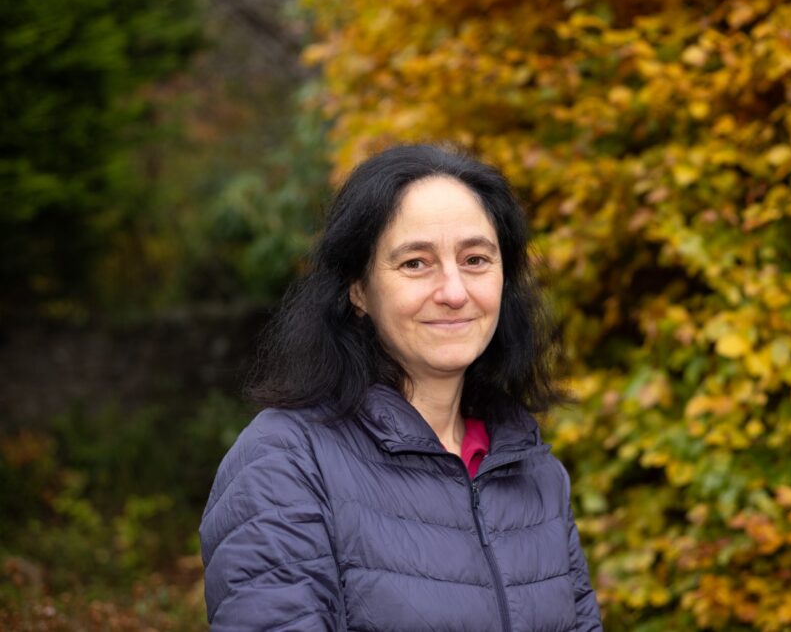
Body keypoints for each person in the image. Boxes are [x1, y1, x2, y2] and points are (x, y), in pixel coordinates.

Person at [199, 144, 603, 631]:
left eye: (476, 259)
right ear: (359, 290)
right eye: (416, 263)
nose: (454, 292)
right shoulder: (287, 460)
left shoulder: (536, 472)